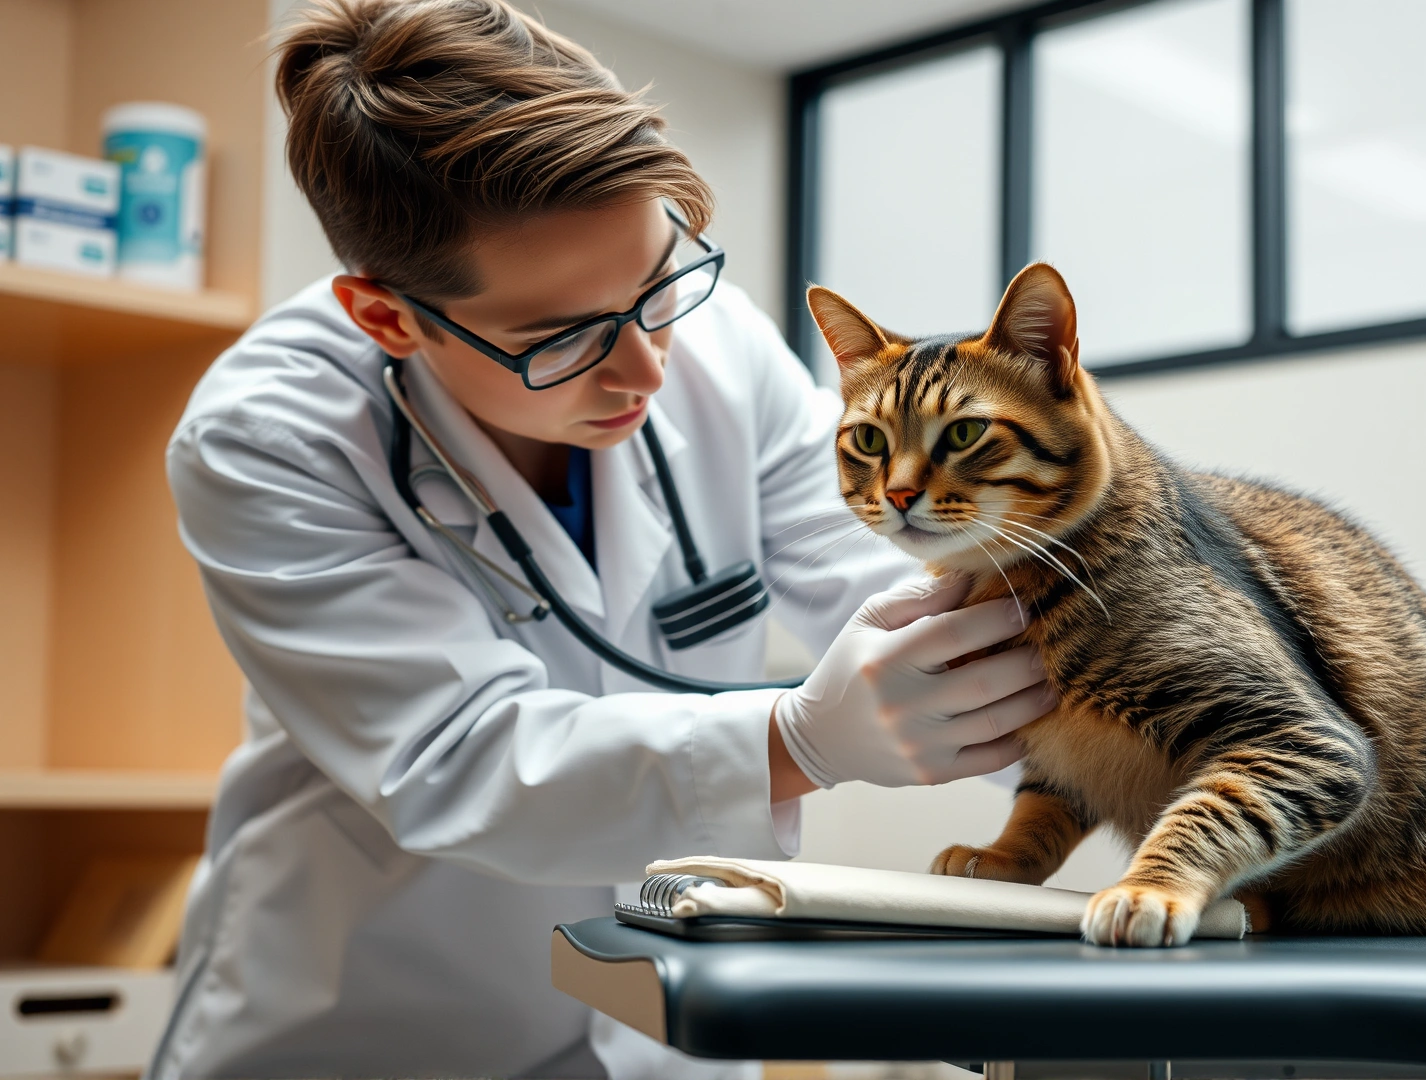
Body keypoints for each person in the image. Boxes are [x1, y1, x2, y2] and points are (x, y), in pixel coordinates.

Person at [150, 1, 1056, 1077]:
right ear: (388, 317)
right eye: (565, 339)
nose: (647, 368)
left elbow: (910, 581)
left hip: (660, 1021)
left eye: (657, 282)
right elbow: (459, 758)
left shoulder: (716, 343)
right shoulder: (265, 436)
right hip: (381, 1015)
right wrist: (800, 742)